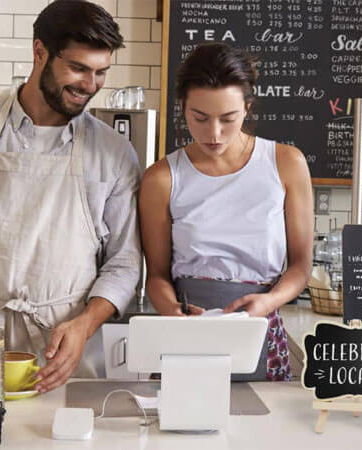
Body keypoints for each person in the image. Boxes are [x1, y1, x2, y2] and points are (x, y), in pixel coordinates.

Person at [0, 0, 141, 392]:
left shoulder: (114, 153)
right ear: (39, 52)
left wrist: (85, 325)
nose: (90, 86)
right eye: (78, 69)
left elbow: (125, 261)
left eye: (101, 73)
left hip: (64, 352)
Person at [139, 43, 313, 381]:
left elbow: (300, 265)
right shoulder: (161, 178)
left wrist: (268, 302)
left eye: (228, 119)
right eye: (199, 118)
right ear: (183, 108)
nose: (214, 134)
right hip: (186, 333)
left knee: (262, 428)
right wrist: (173, 314)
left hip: (259, 328)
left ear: (247, 108)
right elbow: (157, 275)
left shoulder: (287, 164)